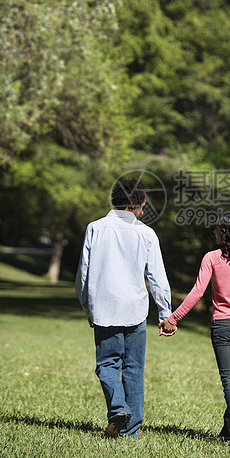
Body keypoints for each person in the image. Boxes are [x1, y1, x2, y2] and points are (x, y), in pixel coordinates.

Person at [159, 211, 230, 448]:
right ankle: (228, 431)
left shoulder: (212, 257)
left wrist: (174, 318)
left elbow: (197, 292)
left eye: (218, 228)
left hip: (223, 325)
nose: (214, 232)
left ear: (228, 233)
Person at [75, 178, 175, 439]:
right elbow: (158, 278)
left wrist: (88, 307)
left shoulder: (95, 228)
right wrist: (165, 314)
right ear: (139, 203)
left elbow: (83, 274)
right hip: (135, 311)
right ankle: (132, 431)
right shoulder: (146, 233)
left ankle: (118, 408)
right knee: (134, 369)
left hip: (105, 309)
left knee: (107, 364)